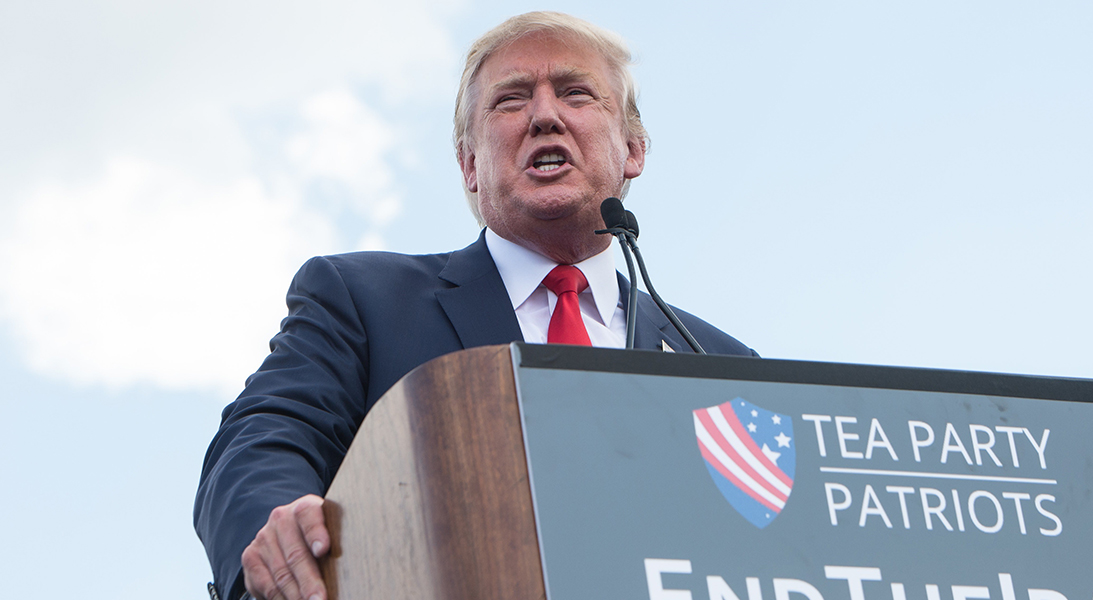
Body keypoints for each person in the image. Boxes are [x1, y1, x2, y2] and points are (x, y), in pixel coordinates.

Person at [194, 11, 756, 600]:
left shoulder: (719, 362)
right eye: (510, 101)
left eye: (575, 93)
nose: (544, 115)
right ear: (468, 165)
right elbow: (266, 436)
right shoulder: (363, 301)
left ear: (633, 150)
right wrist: (278, 526)